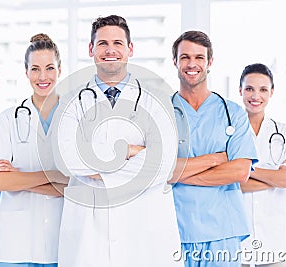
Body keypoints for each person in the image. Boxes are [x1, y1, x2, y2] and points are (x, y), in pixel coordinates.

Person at [52, 15, 181, 267]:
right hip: (89, 235)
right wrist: (127, 152)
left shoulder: (156, 98)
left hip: (143, 230)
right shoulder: (71, 99)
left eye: (118, 43)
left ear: (130, 49)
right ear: (91, 49)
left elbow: (163, 163)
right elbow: (65, 158)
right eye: (102, 43)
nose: (110, 50)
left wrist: (99, 170)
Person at [169, 30, 258, 267]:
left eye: (199, 57)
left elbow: (239, 172)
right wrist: (215, 159)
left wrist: (178, 174)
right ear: (175, 62)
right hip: (175, 230)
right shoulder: (162, 114)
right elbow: (158, 171)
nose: (192, 64)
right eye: (185, 57)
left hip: (223, 232)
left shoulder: (233, 114)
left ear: (209, 62)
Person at [0, 33, 68, 267]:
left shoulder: (74, 117)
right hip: (15, 247)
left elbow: (79, 185)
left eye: (49, 68)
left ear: (60, 70)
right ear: (26, 71)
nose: (42, 77)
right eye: (35, 69)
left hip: (62, 243)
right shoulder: (9, 118)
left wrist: (18, 179)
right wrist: (55, 177)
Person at [238, 63, 286, 267]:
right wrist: (277, 177)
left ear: (272, 92)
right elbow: (230, 182)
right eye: (249, 89)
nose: (255, 96)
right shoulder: (229, 132)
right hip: (237, 243)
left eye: (263, 89)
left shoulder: (285, 133)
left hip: (274, 243)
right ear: (240, 90)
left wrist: (246, 170)